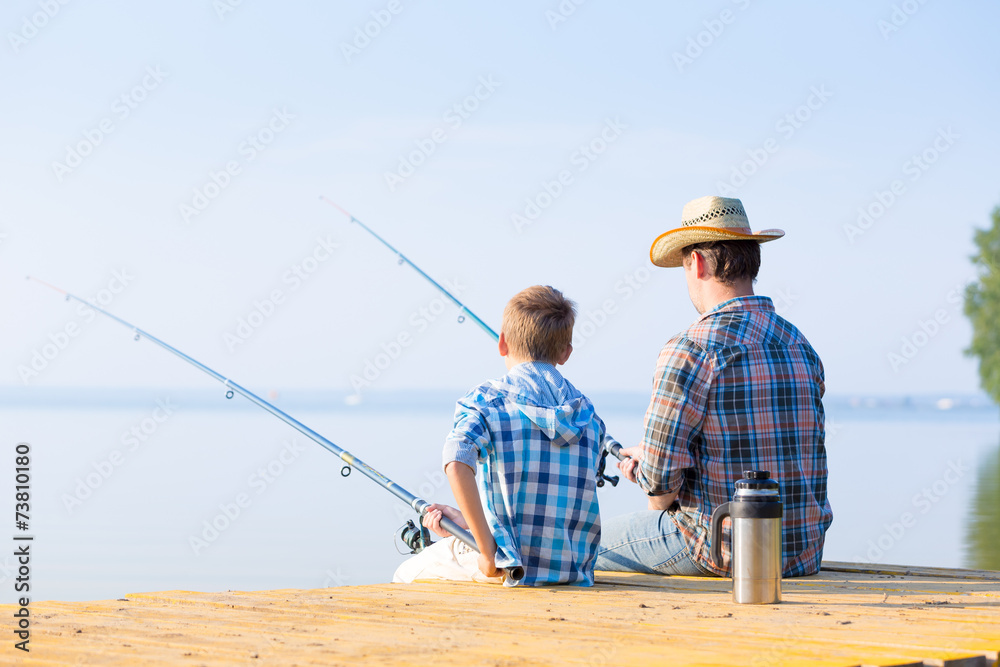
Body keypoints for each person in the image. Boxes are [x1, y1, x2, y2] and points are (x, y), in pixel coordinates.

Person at [596, 195, 832, 578]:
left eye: (685, 264)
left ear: (699, 263)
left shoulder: (690, 350)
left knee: (578, 542)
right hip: (801, 556)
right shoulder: (800, 345)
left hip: (723, 556)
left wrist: (643, 467)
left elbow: (660, 496)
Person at [393, 285, 609, 586]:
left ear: (502, 343)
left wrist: (484, 549)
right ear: (565, 352)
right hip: (572, 572)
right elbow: (544, 503)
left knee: (405, 574)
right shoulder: (589, 417)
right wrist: (466, 522)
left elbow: (456, 461)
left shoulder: (488, 401)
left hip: (511, 568)